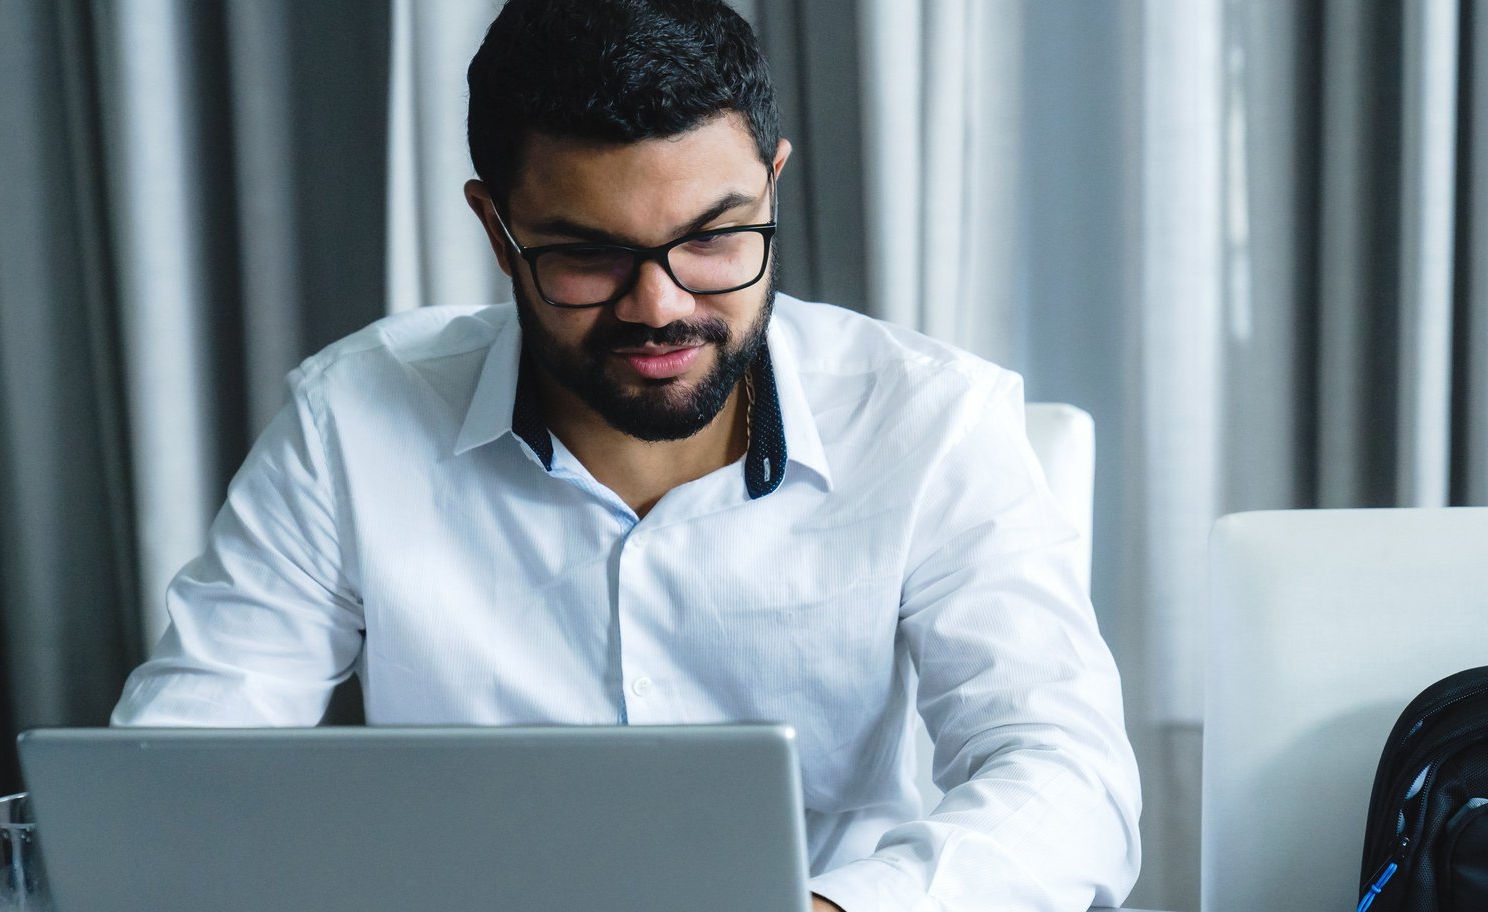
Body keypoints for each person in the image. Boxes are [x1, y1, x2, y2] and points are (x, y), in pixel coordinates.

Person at [111, 0, 1141, 908]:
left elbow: (1066, 780)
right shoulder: (351, 419)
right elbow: (176, 781)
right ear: (495, 225)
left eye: (714, 239)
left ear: (771, 187)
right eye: (587, 255)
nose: (661, 306)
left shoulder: (933, 420)